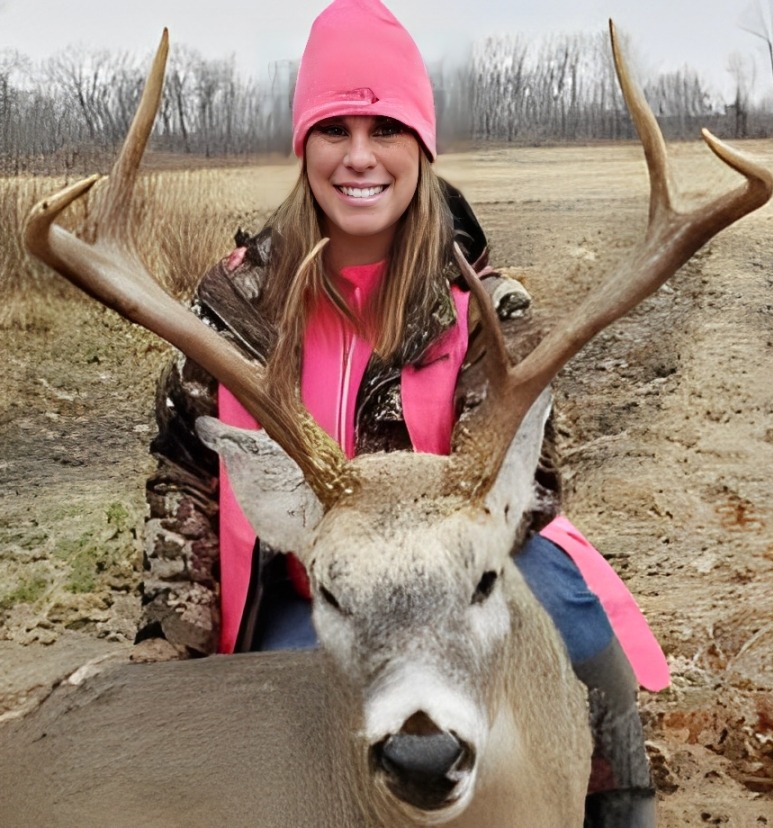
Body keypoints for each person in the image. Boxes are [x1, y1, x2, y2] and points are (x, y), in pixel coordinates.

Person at [137, 1, 667, 824]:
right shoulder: (230, 313)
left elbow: (536, 474)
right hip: (303, 583)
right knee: (289, 733)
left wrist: (421, 555)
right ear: (302, 146)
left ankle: (619, 802)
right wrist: (170, 643)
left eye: (384, 129)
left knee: (574, 623)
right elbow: (185, 477)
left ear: (420, 147)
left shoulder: (481, 306)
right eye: (333, 129)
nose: (359, 158)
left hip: (459, 572)